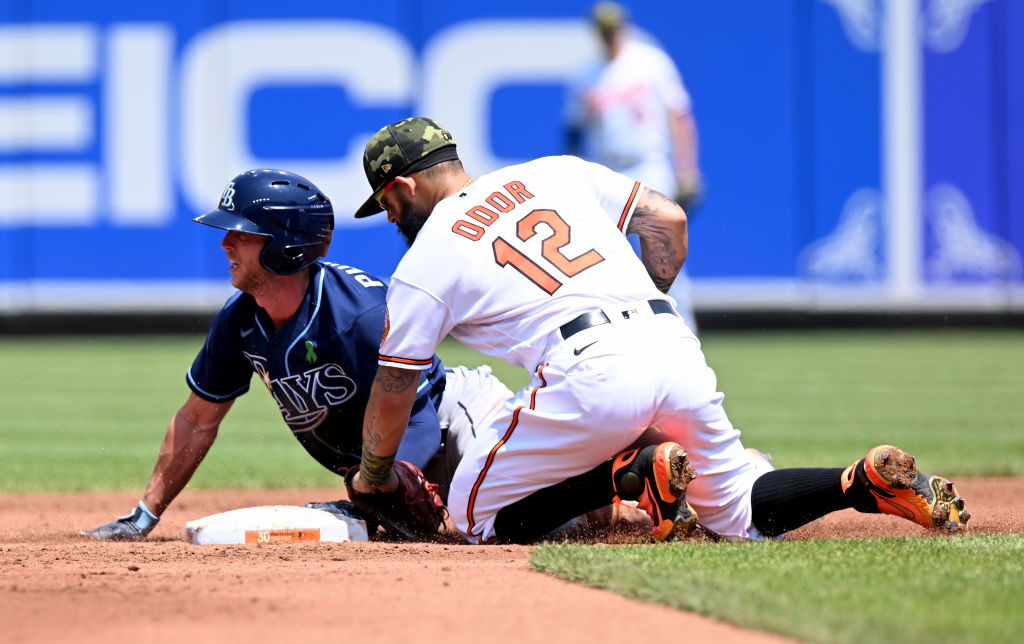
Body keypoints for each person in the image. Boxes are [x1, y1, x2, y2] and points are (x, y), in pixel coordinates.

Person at [347, 116, 970, 545]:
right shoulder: (551, 172)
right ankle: (857, 483)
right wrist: (645, 308)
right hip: (672, 344)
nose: (391, 217)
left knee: (472, 510)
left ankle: (630, 474)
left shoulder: (427, 256)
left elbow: (397, 383)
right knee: (742, 510)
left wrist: (373, 474)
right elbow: (667, 218)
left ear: (401, 185)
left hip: (587, 369)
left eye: (387, 203)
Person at [80, 169, 449, 541]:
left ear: (286, 246)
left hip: (453, 430)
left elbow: (419, 418)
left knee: (501, 526)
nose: (225, 243)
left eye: (241, 233)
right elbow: (196, 421)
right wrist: (144, 515)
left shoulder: (358, 317)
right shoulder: (239, 320)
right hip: (385, 473)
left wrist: (376, 489)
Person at [565, 1, 703, 331]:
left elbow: (679, 116)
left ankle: (685, 333)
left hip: (649, 166)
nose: (610, 34)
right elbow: (573, 131)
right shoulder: (586, 74)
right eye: (604, 29)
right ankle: (627, 336)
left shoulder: (650, 62)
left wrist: (687, 169)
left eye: (614, 27)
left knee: (663, 252)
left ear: (623, 27)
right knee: (608, 260)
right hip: (607, 172)